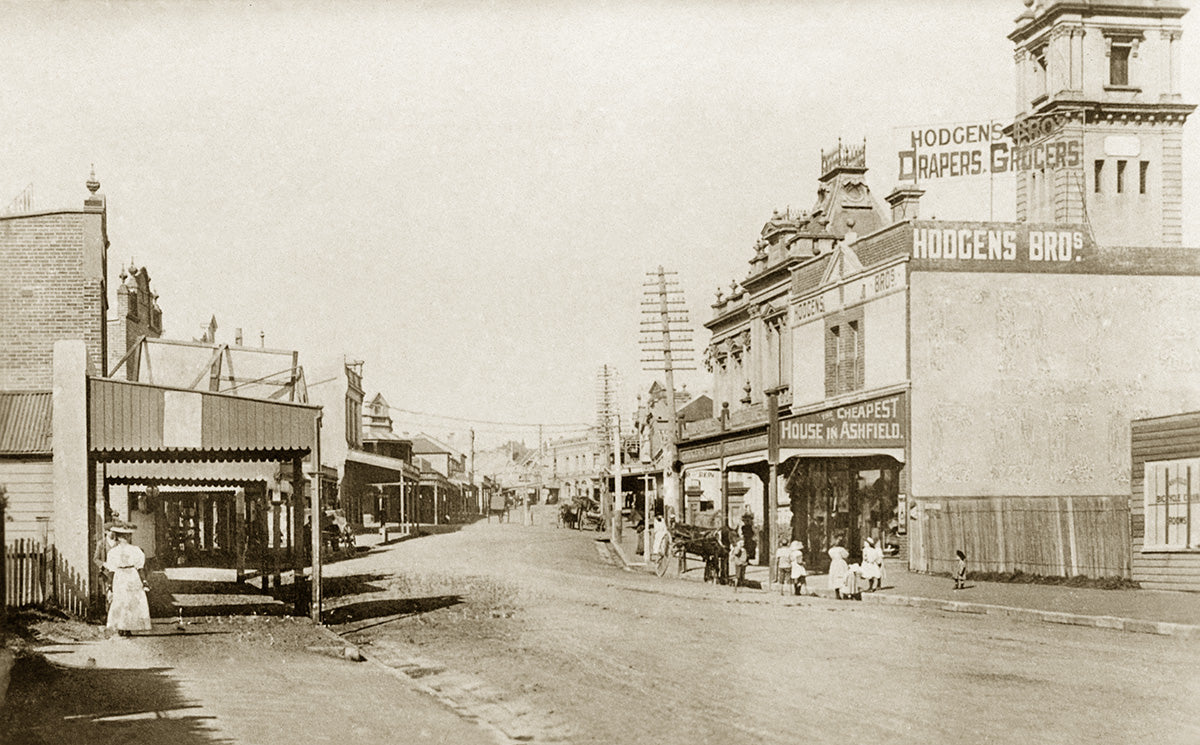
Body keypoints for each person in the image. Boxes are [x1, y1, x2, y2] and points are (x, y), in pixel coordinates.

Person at [103, 523, 152, 636]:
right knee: (124, 601)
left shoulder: (133, 551)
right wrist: (109, 585)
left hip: (127, 576)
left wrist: (144, 582)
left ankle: (126, 627)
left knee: (128, 602)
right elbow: (112, 570)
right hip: (125, 576)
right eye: (123, 536)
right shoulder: (118, 552)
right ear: (119, 537)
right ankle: (122, 626)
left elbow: (140, 568)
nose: (125, 539)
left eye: (126, 536)